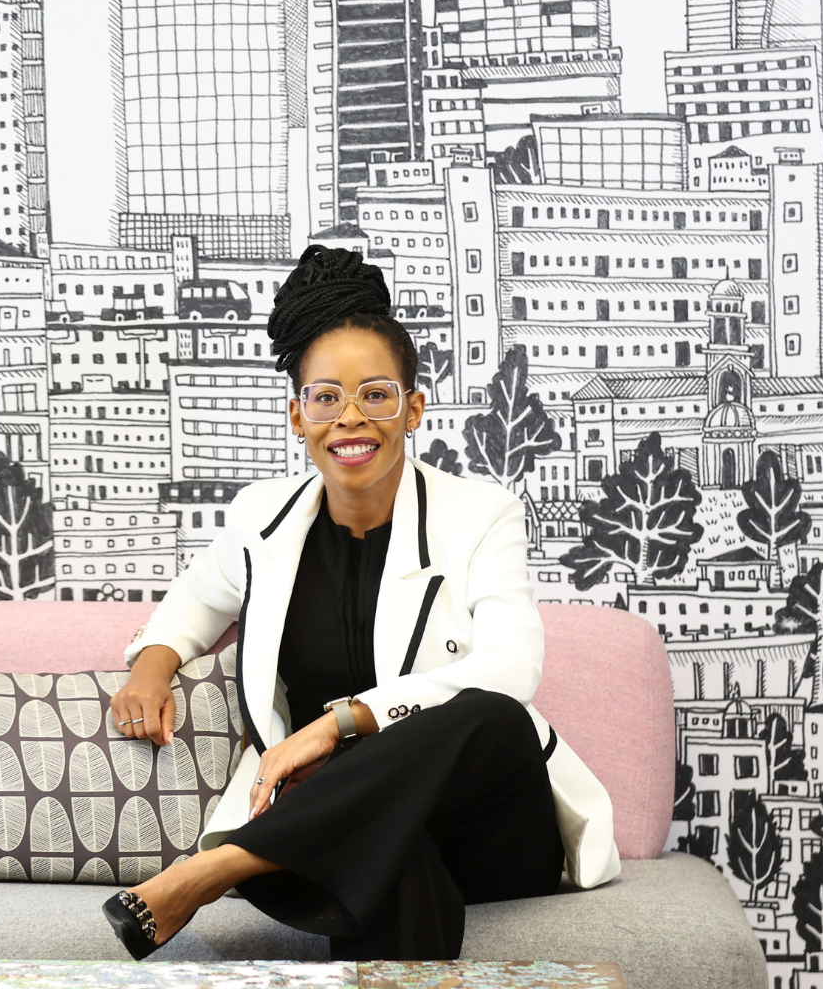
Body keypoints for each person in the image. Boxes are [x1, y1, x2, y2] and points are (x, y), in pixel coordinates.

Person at [102, 245, 620, 961]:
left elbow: (512, 666)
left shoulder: (481, 514)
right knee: (391, 857)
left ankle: (214, 870)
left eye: (375, 394)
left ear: (412, 409)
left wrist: (335, 726)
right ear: (297, 415)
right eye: (326, 397)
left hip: (488, 833)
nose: (351, 418)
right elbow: (194, 603)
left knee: (490, 715)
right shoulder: (261, 518)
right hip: (342, 837)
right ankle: (256, 857)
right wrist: (151, 668)